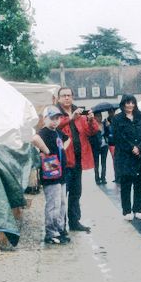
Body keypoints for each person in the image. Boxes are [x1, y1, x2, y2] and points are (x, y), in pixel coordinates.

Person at [56, 87, 101, 232]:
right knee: (62, 195)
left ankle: (74, 222)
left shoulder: (80, 114)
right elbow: (54, 127)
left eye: (69, 95)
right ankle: (60, 225)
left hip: (78, 160)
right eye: (64, 96)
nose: (67, 98)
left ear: (73, 97)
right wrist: (71, 118)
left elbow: (92, 131)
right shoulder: (55, 113)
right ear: (59, 98)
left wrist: (91, 119)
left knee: (76, 193)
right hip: (63, 161)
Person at [33, 106, 70, 245]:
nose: (55, 121)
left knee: (61, 202)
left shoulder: (58, 132)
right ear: (45, 119)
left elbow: (68, 139)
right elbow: (35, 138)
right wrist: (46, 150)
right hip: (51, 169)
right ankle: (51, 232)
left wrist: (63, 149)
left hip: (61, 171)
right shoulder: (44, 132)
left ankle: (60, 229)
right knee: (53, 203)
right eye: (52, 118)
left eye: (57, 118)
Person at [111, 94, 141, 220]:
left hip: (140, 155)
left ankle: (138, 209)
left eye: (132, 102)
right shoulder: (117, 119)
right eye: (127, 102)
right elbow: (118, 137)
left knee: (139, 182)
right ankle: (127, 210)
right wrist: (132, 147)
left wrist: (140, 147)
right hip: (124, 155)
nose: (130, 105)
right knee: (126, 183)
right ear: (123, 104)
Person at [91, 111, 110, 185]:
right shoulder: (93, 125)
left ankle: (103, 178)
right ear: (95, 117)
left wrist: (108, 126)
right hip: (96, 146)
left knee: (103, 163)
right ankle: (97, 179)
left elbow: (108, 133)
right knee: (96, 163)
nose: (100, 117)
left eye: (100, 116)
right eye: (98, 116)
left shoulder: (104, 124)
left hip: (104, 145)